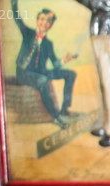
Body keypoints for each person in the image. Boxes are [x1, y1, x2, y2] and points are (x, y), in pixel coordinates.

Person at [10, 0, 77, 128]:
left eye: (48, 21)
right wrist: (14, 3)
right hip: (24, 73)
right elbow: (17, 18)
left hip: (41, 71)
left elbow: (55, 64)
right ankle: (56, 117)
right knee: (43, 80)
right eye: (42, 19)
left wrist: (64, 60)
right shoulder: (27, 33)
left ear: (51, 25)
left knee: (71, 74)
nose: (44, 23)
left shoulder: (48, 44)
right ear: (37, 20)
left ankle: (64, 109)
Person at [74, 0, 110, 147]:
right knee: (106, 85)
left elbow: (102, 3)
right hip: (102, 33)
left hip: (109, 35)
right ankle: (108, 124)